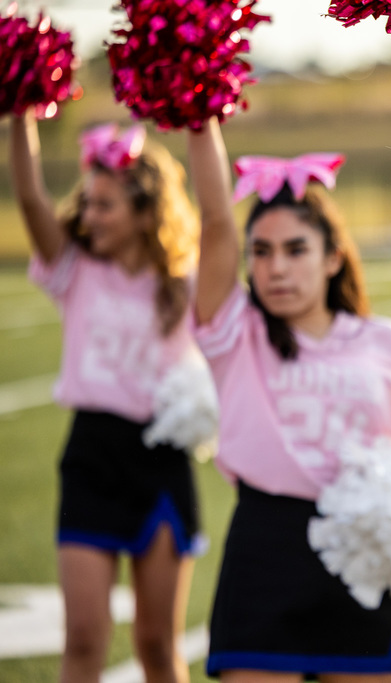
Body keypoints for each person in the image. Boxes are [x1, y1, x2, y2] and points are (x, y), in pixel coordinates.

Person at [186, 119, 391, 682]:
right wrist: (199, 115)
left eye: (295, 249)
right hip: (265, 547)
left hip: (364, 548)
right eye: (261, 252)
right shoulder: (236, 336)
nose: (276, 267)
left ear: (333, 257)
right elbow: (214, 221)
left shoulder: (388, 345)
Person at [7, 113, 202, 682]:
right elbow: (30, 197)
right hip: (92, 457)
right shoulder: (75, 269)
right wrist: (21, 113)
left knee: (157, 645)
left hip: (161, 461)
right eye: (87, 203)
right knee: (84, 638)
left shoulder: (182, 284)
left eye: (105, 206)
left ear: (145, 212)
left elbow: (216, 224)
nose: (89, 216)